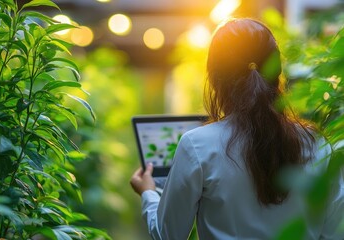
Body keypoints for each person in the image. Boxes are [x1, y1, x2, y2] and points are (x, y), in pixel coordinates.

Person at [130, 18, 344, 239]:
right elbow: (336, 231)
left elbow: (169, 234)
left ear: (214, 80)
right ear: (277, 74)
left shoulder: (197, 145)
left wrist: (148, 193)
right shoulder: (317, 144)